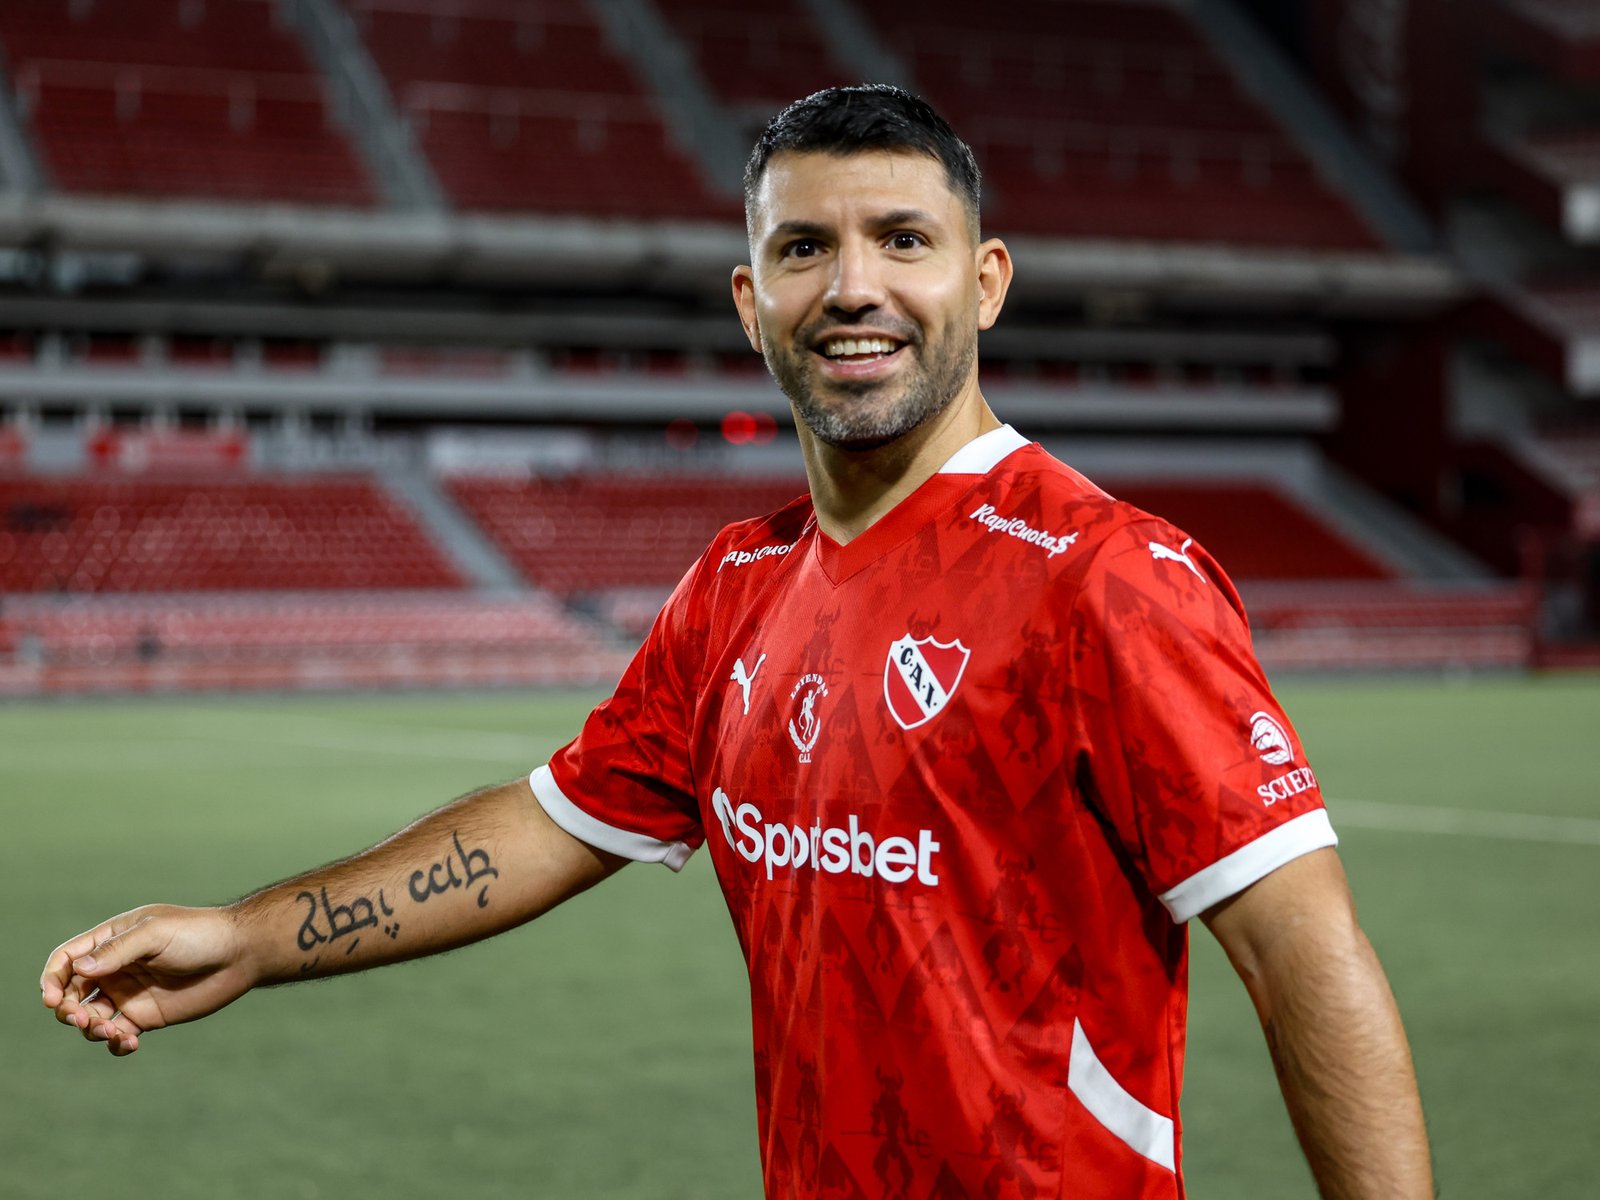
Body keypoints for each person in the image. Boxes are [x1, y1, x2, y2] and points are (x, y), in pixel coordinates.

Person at [41, 85, 1433, 1198]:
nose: (852, 287)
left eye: (903, 239)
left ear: (988, 281)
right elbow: (542, 831)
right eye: (804, 248)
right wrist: (249, 937)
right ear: (750, 300)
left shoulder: (1108, 579)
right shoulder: (739, 585)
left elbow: (1304, 957)